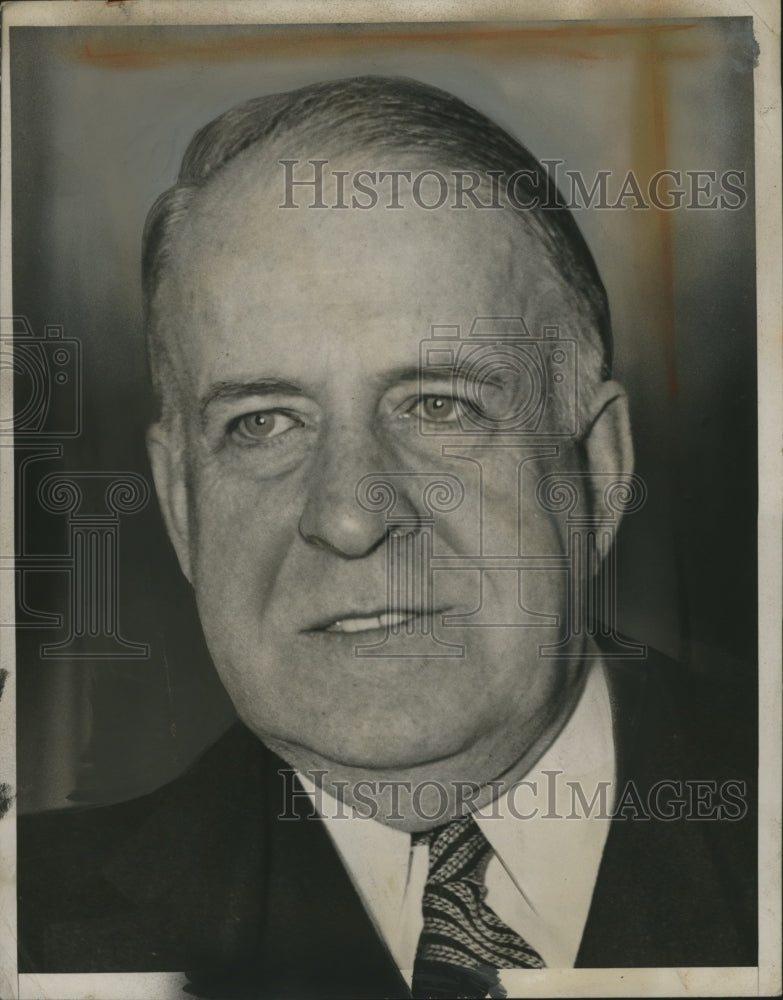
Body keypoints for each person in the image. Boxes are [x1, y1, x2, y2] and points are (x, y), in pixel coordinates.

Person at [18, 77, 756, 999]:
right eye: (263, 422)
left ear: (597, 472)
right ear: (180, 504)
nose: (350, 517)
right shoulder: (31, 921)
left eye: (438, 405)